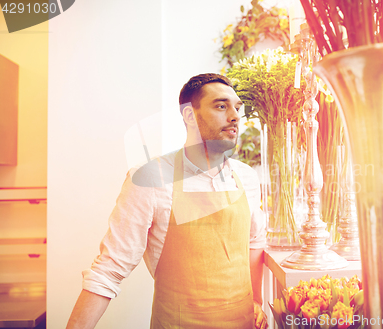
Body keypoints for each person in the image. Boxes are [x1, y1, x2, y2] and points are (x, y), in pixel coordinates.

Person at [66, 73, 268, 329]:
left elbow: (255, 240)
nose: (235, 116)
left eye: (237, 107)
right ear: (189, 115)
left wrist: (257, 301)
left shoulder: (246, 177)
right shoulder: (151, 178)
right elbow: (109, 269)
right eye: (221, 106)